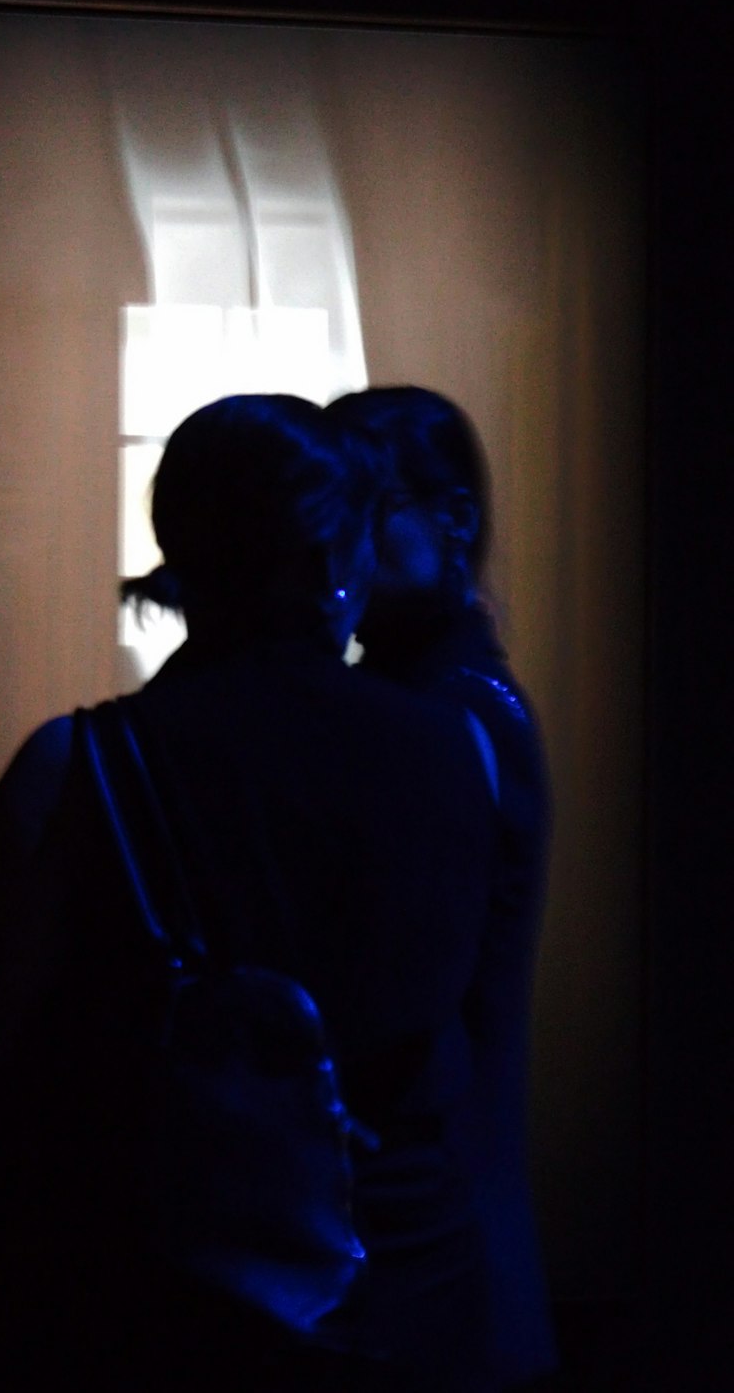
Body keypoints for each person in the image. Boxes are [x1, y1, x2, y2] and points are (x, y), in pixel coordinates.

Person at [0, 393, 501, 1391]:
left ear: (179, 543)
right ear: (338, 560)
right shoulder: (454, 752)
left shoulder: (77, 769)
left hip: (153, 1312)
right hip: (409, 1299)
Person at [326, 385, 558, 1390]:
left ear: (451, 520)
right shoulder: (453, 704)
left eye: (367, 514)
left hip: (430, 1226)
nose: (336, 549)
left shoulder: (448, 718)